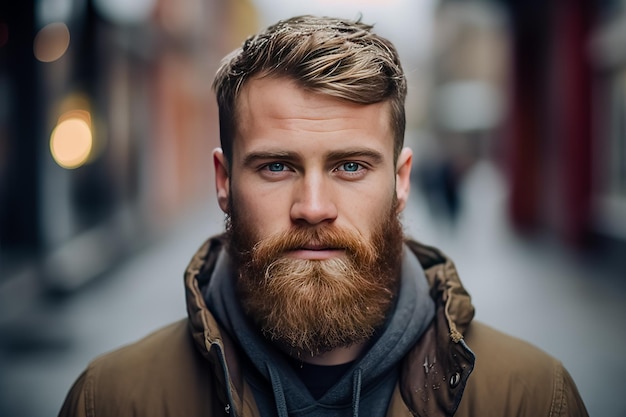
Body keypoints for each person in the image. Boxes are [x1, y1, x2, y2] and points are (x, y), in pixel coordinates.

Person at [58, 15, 588, 417]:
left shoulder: (532, 397)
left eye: (351, 166)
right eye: (276, 166)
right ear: (224, 182)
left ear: (401, 181)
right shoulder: (112, 400)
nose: (313, 207)